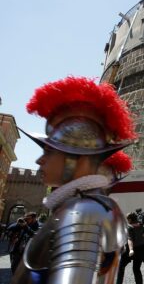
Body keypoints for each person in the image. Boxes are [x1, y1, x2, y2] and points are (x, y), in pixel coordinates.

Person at [12, 76, 137, 284]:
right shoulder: (86, 206)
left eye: (49, 151)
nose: (40, 160)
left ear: (75, 159)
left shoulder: (83, 213)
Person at [116, 212, 144, 284]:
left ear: (130, 219)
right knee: (136, 269)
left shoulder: (129, 227)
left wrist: (131, 250)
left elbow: (130, 239)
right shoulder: (140, 225)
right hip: (141, 249)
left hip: (130, 250)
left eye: (127, 219)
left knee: (121, 267)